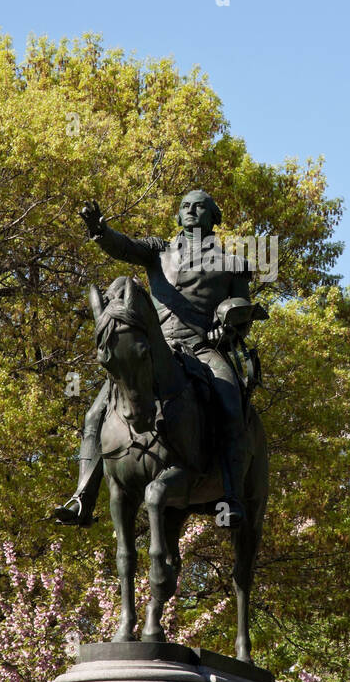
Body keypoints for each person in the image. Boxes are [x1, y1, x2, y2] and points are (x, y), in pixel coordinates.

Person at [53, 189, 256, 528]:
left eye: (200, 207)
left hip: (203, 350)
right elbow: (124, 246)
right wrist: (101, 231)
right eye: (186, 206)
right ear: (179, 216)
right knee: (93, 415)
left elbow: (242, 315)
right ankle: (82, 497)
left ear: (213, 217)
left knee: (232, 406)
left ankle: (232, 495)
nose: (191, 211)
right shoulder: (158, 251)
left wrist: (227, 332)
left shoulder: (233, 264)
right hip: (155, 349)